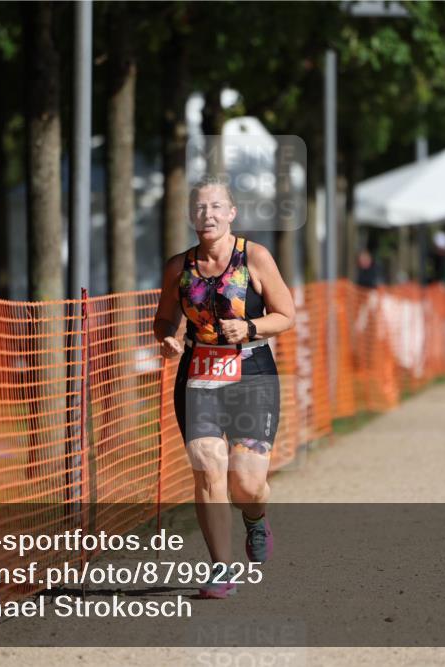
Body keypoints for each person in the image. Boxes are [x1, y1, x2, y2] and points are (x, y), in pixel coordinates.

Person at [153, 175, 295, 599]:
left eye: (216, 206)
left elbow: (286, 315)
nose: (208, 214)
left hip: (251, 371)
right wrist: (167, 337)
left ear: (231, 213)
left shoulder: (255, 257)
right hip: (199, 372)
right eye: (200, 207)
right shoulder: (178, 267)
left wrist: (249, 327)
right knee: (207, 468)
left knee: (245, 484)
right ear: (190, 215)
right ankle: (221, 568)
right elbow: (164, 317)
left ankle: (255, 517)